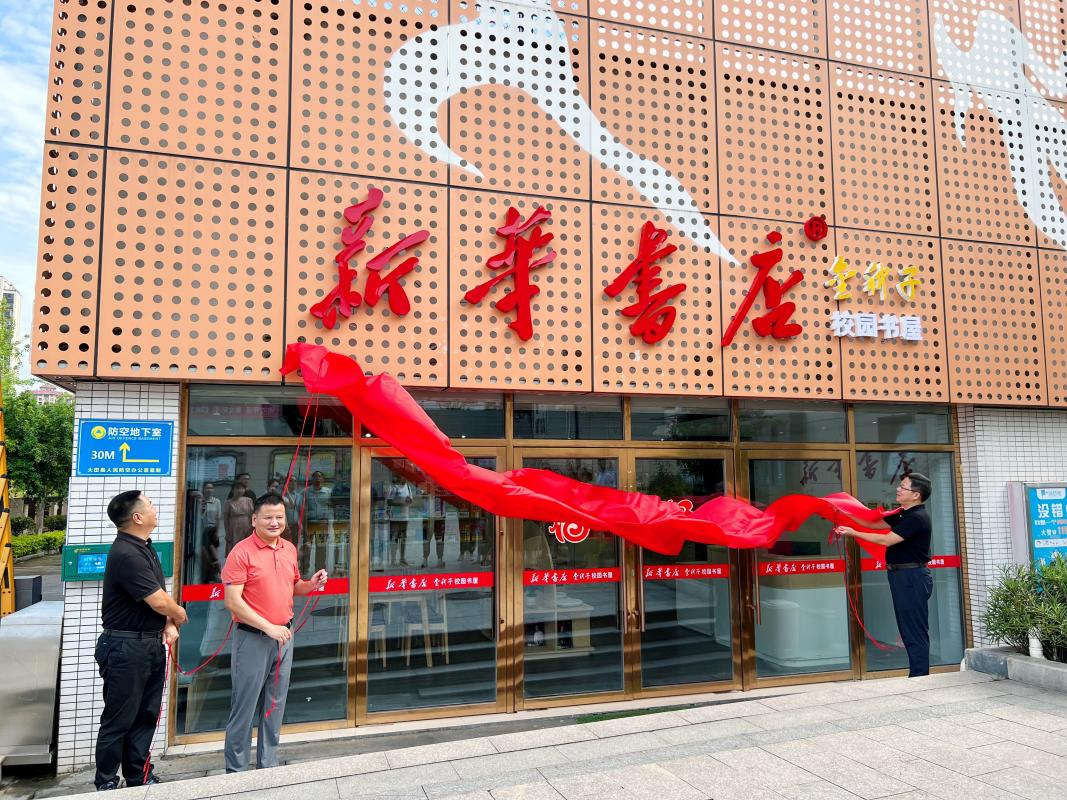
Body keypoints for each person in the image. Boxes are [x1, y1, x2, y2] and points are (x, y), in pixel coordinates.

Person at [221, 493, 328, 773]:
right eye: (268, 517)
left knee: (275, 704)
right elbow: (232, 602)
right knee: (244, 707)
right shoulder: (241, 553)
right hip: (252, 638)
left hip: (284, 638)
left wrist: (311, 584)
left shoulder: (289, 549)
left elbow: (294, 585)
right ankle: (236, 771)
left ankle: (268, 766)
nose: (274, 522)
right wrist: (268, 627)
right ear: (254, 519)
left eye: (279, 517)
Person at [94, 491, 188, 790]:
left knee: (145, 715)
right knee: (119, 718)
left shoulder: (144, 547)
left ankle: (139, 776)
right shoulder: (127, 553)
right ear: (137, 517)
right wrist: (179, 614)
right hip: (126, 647)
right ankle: (106, 782)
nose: (154, 509)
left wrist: (168, 623)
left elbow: (156, 598)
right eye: (149, 505)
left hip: (147, 644)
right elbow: (158, 600)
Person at [834, 472, 934, 677]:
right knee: (907, 628)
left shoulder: (916, 518)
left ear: (916, 495)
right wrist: (844, 512)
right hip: (902, 576)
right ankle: (917, 674)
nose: (898, 489)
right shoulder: (903, 514)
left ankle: (920, 677)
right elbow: (872, 524)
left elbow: (886, 540)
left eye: (903, 487)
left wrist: (852, 533)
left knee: (914, 630)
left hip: (912, 577)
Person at [223, 475, 255, 556]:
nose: (239, 490)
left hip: (246, 526)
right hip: (233, 527)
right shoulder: (228, 502)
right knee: (235, 547)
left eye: (242, 488)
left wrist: (253, 527)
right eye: (237, 488)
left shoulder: (248, 500)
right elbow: (226, 519)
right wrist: (227, 532)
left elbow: (252, 515)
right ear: (233, 490)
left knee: (246, 547)